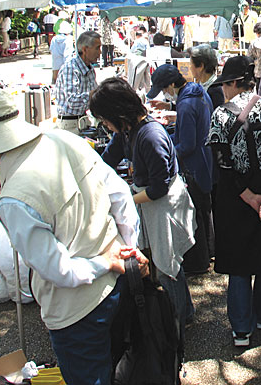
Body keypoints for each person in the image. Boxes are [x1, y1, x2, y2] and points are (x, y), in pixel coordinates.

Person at [0, 87, 147, 385]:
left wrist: (107, 262)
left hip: (76, 309)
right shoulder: (63, 139)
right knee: (122, 365)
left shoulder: (14, 199)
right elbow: (121, 195)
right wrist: (126, 249)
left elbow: (60, 271)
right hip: (116, 283)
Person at [92, 77, 197, 340]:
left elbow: (159, 188)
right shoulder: (127, 129)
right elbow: (108, 161)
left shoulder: (150, 135)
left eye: (105, 120)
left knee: (166, 267)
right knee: (167, 264)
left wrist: (127, 196)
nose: (105, 126)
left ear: (117, 112)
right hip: (150, 200)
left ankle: (175, 334)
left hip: (165, 205)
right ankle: (185, 316)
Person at [206, 56, 261, 347]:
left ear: (233, 83)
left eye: (224, 85)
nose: (222, 91)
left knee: (238, 263)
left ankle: (241, 330)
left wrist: (249, 196)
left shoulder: (221, 115)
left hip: (236, 197)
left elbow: (222, 162)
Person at [147, 64, 214, 276]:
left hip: (194, 166)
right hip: (207, 160)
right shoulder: (199, 90)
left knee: (195, 217)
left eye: (165, 89)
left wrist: (163, 153)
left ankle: (198, 262)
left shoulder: (185, 104)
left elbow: (186, 145)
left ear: (172, 84)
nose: (166, 93)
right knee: (204, 212)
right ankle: (210, 253)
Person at [54, 30, 100, 133]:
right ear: (85, 49)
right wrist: (95, 94)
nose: (100, 52)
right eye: (97, 48)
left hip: (84, 120)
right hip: (69, 125)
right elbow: (72, 101)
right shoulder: (71, 69)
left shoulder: (90, 69)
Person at [247, 22, 261, 89]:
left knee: (259, 94)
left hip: (258, 72)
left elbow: (249, 57)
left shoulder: (254, 42)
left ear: (257, 32)